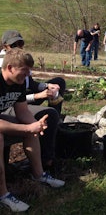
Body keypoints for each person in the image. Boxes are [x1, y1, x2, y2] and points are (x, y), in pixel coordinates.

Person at [0, 49, 64, 212]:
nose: (27, 75)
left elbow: (22, 112)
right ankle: (3, 194)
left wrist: (36, 125)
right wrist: (27, 127)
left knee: (32, 130)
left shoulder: (18, 83)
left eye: (29, 71)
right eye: (24, 71)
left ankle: (39, 174)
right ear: (9, 68)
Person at [0, 30, 63, 169]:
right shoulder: (7, 64)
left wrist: (47, 86)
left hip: (14, 105)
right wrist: (37, 97)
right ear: (5, 46)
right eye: (13, 44)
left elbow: (28, 90)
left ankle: (42, 168)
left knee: (46, 116)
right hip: (9, 108)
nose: (17, 46)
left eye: (20, 43)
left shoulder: (21, 67)